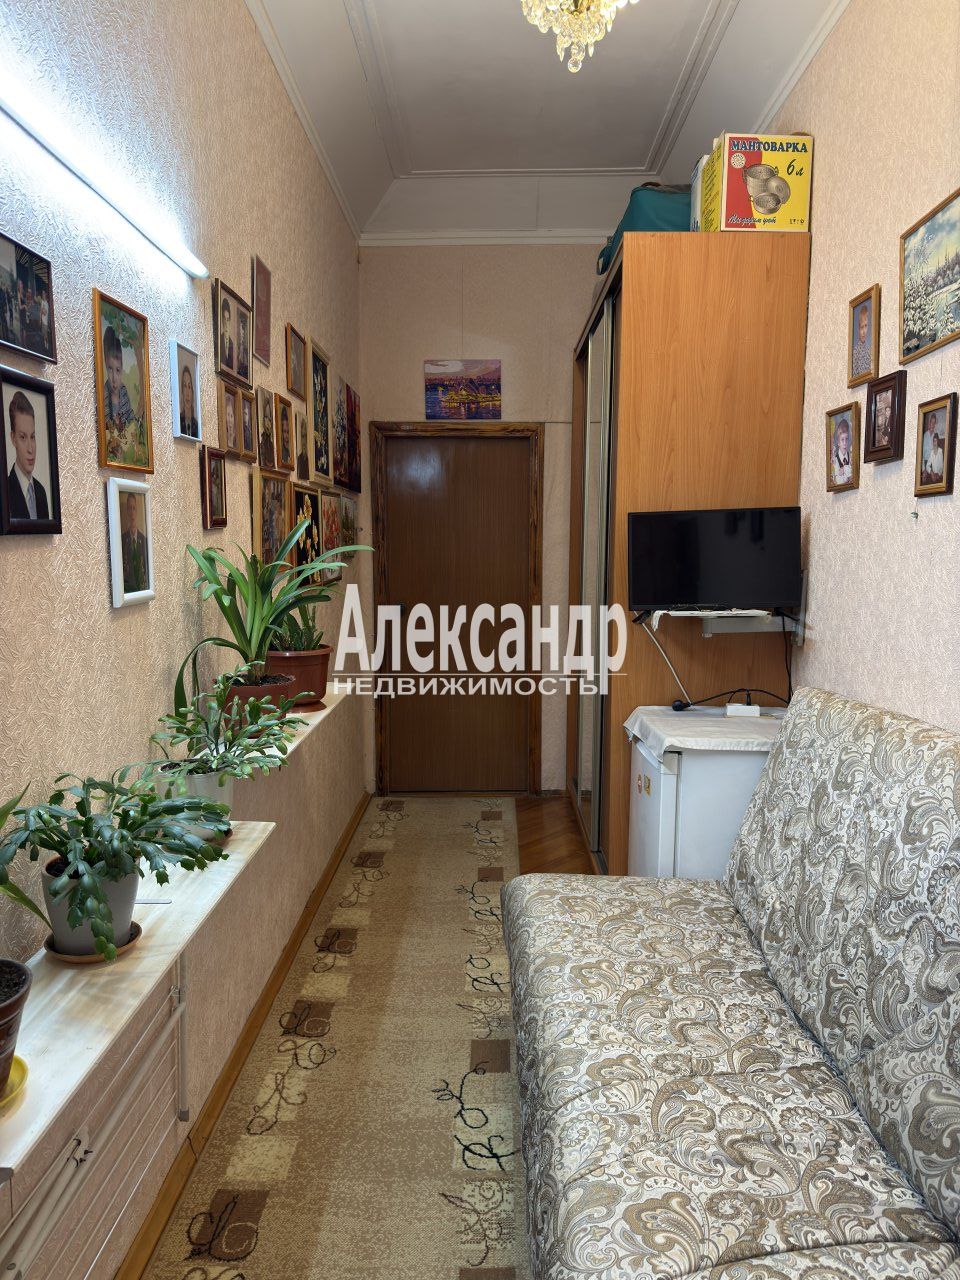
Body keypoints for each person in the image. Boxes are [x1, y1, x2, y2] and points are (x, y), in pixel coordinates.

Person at [7, 390, 49, 520]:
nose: (30, 449)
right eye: (23, 437)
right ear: (13, 438)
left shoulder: (41, 492)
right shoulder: (5, 491)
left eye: (32, 437)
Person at [120, 491, 148, 593]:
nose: (132, 512)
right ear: (127, 511)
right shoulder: (122, 540)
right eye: (129, 508)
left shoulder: (143, 540)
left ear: (137, 511)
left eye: (134, 508)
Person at [851, 302, 871, 378]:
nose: (864, 331)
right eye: (862, 327)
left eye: (866, 326)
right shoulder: (855, 353)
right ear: (858, 329)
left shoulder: (869, 351)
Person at [831, 417, 853, 486]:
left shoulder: (851, 457)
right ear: (838, 442)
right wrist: (848, 472)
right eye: (842, 440)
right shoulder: (835, 460)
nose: (845, 442)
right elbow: (839, 481)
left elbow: (853, 473)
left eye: (846, 439)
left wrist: (844, 469)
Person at [179, 362, 199, 438]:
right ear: (182, 392)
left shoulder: (196, 425)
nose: (187, 393)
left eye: (189, 387)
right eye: (184, 386)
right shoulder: (179, 421)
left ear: (192, 392)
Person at [259, 396, 275, 467]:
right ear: (263, 420)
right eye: (266, 417)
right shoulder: (261, 444)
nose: (268, 423)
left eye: (270, 419)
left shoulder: (271, 445)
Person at [219, 296, 234, 370]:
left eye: (227, 320)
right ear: (221, 320)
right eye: (224, 319)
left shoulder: (232, 345)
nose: (226, 324)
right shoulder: (219, 341)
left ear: (230, 321)